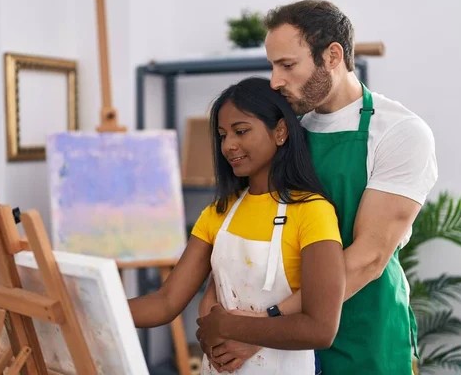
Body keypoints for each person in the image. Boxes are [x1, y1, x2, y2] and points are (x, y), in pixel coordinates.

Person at [196, 0, 438, 374]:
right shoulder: (286, 130)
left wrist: (264, 325)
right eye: (272, 66)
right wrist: (223, 314)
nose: (275, 81)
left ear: (332, 56)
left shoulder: (398, 132)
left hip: (362, 331)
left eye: (287, 65)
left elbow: (368, 259)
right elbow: (242, 222)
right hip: (274, 332)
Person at [128, 76, 346, 374]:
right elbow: (165, 302)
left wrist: (229, 326)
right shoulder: (218, 213)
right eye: (222, 135)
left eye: (241, 131)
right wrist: (87, 310)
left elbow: (320, 328)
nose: (228, 145)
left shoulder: (312, 212)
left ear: (280, 131)